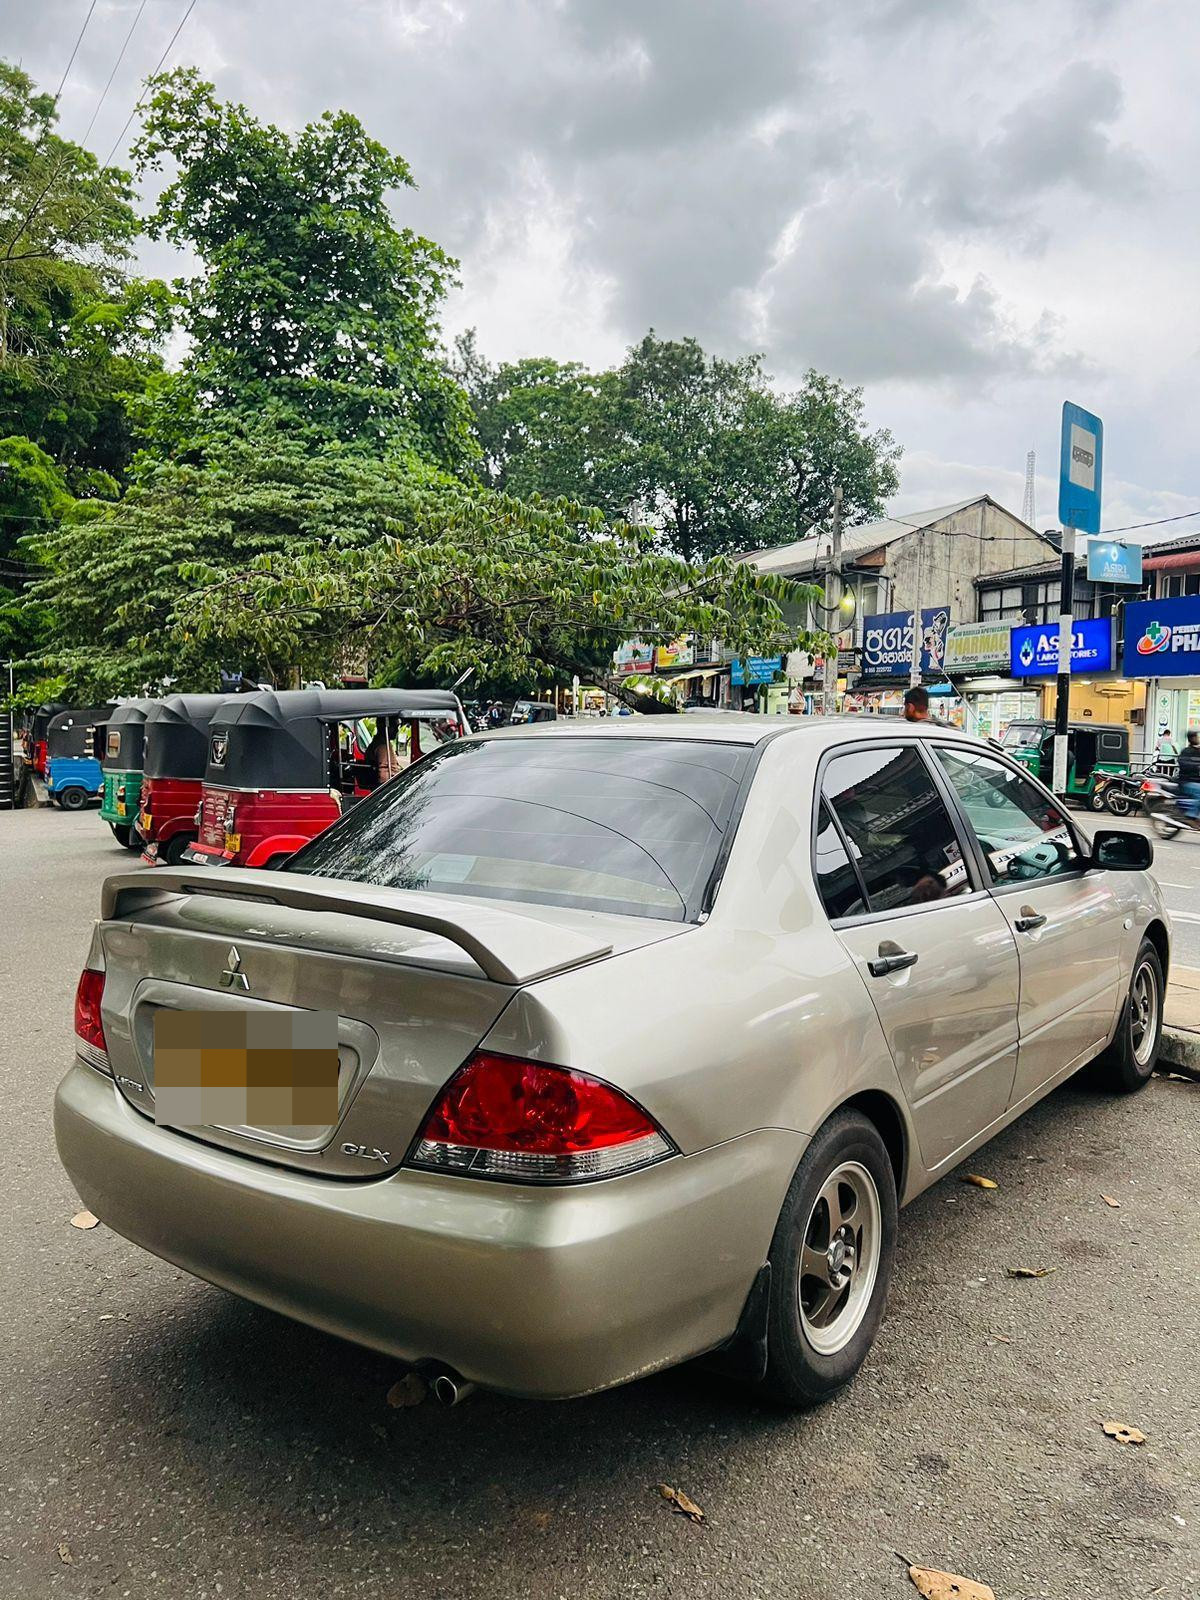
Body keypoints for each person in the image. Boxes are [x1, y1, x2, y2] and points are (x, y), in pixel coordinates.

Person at [1176, 730, 1200, 821]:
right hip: (1187, 781)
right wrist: (1196, 767)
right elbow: (1184, 763)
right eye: (1196, 737)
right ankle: (1191, 815)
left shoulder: (1198, 750)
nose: (1197, 739)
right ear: (1191, 738)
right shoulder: (1186, 751)